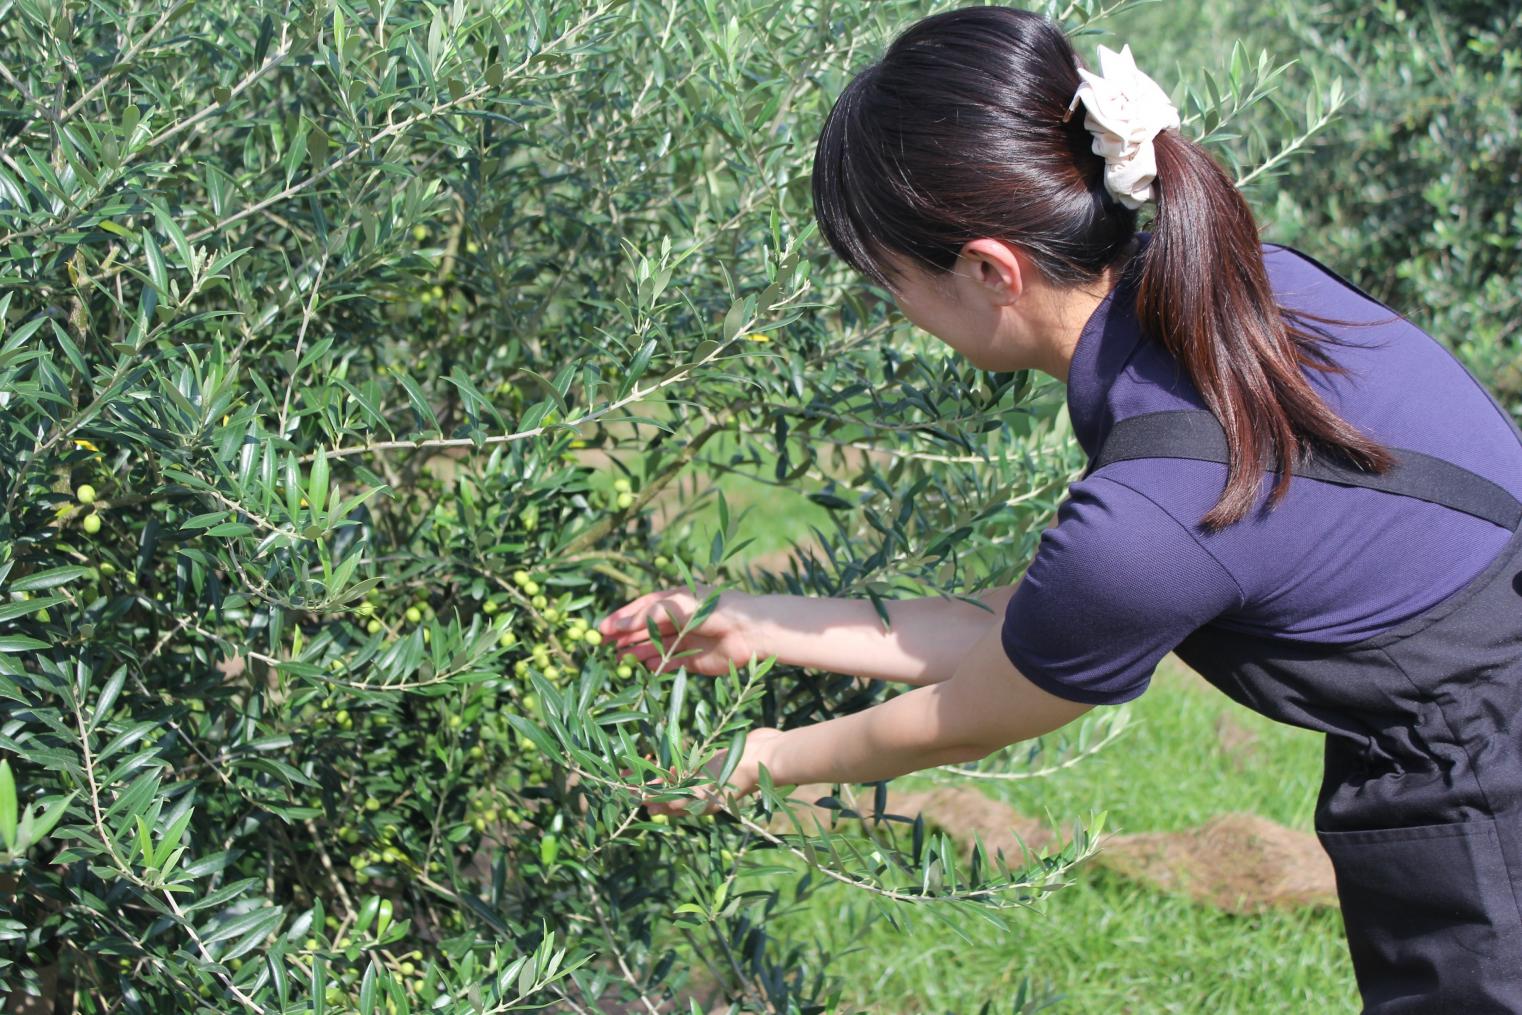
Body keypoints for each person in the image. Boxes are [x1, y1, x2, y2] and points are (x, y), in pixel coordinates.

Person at [596, 7, 1522, 1009]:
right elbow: (1027, 628)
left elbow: (970, 713)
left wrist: (761, 760)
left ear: (990, 269)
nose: (896, 309)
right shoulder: (1253, 296)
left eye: (890, 279)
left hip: (1485, 809)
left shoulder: (1149, 511)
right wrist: (759, 624)